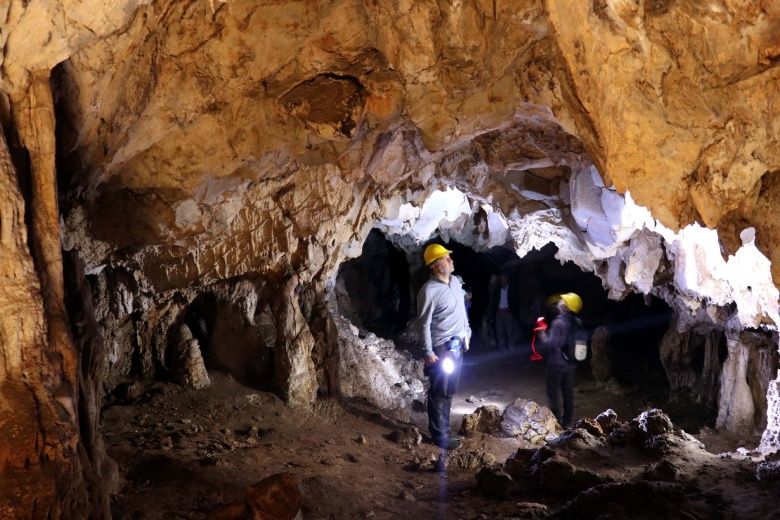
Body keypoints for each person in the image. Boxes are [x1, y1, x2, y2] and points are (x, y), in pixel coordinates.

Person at [417, 244, 472, 450]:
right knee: (439, 392)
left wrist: (467, 333)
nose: (450, 260)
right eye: (445, 258)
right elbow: (423, 323)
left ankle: (445, 432)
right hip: (442, 347)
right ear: (433, 266)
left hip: (458, 346)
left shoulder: (456, 283)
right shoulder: (429, 291)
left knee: (450, 391)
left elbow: (462, 312)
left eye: (449, 257)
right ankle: (439, 436)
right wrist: (428, 352)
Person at [537, 292, 584, 429]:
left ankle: (556, 423)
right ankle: (567, 422)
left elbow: (551, 344)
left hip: (556, 364)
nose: (560, 302)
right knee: (568, 393)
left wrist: (542, 335)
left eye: (563, 301)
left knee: (553, 393)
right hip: (571, 364)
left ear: (567, 307)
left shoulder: (559, 322)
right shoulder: (577, 322)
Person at [490, 273, 514, 352]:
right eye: (501, 279)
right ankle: (502, 348)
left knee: (509, 330)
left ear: (507, 279)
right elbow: (494, 301)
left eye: (504, 278)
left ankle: (510, 346)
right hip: (499, 312)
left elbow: (514, 300)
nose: (503, 280)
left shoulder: (511, 288)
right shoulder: (497, 289)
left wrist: (512, 310)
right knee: (499, 331)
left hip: (508, 312)